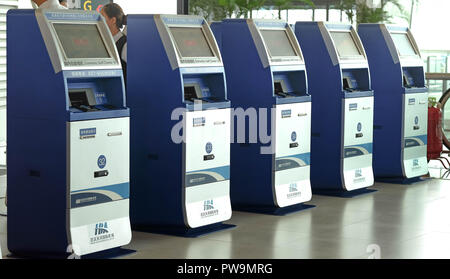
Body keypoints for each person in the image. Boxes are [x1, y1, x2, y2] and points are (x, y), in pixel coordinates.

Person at [101, 3, 127, 81]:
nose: (99, 21)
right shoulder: (104, 42)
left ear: (113, 20)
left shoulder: (125, 45)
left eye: (102, 17)